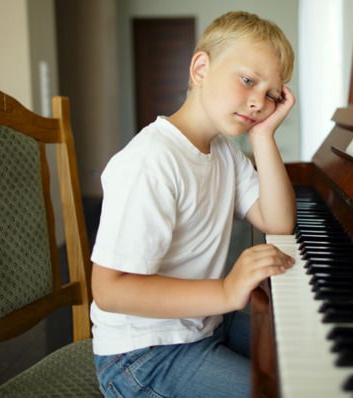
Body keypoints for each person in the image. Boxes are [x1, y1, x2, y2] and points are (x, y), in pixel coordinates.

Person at [89, 11, 296, 398]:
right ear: (201, 68)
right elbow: (109, 290)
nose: (258, 103)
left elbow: (278, 221)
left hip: (203, 325)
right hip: (142, 356)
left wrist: (264, 136)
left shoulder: (224, 152)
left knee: (300, 363)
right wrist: (225, 291)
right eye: (248, 81)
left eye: (271, 95)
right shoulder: (151, 160)